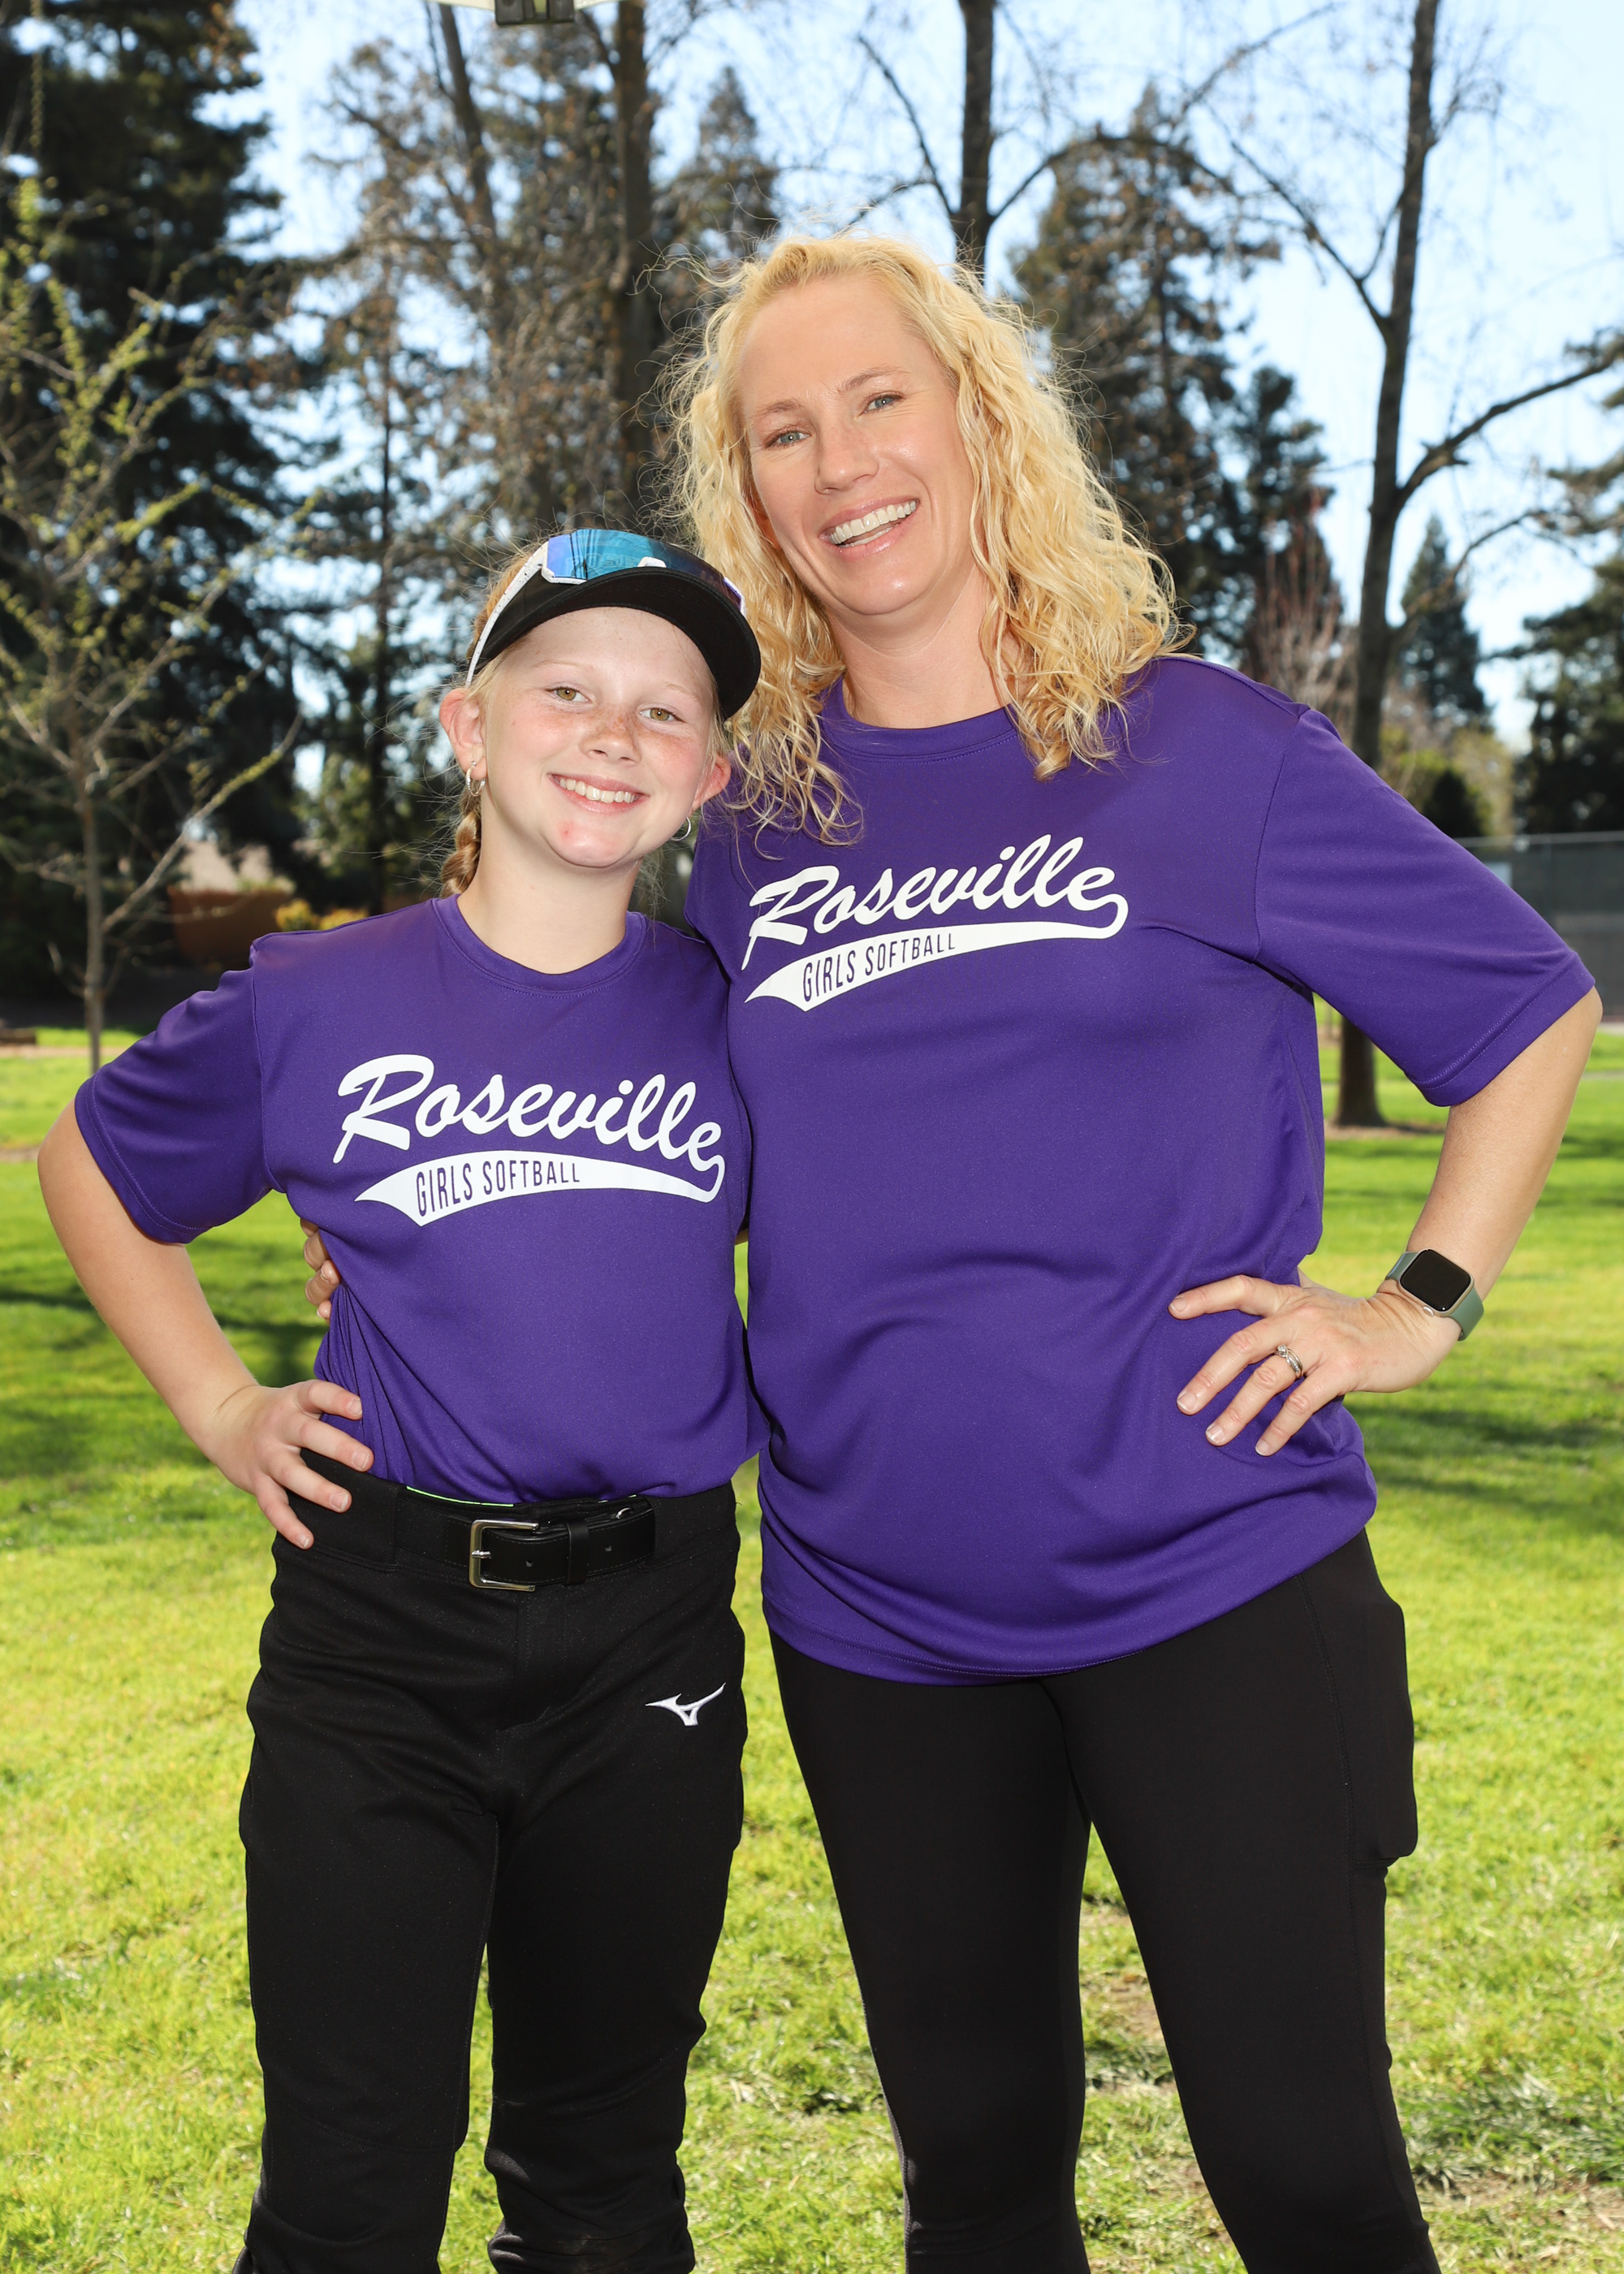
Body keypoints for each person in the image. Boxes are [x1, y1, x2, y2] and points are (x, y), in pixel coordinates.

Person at [304, 239, 1600, 2274]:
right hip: (878, 1613)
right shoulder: (752, 821)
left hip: (1211, 1577)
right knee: (977, 2187)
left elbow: (1525, 1007)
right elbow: (639, 1089)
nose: (841, 465)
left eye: (879, 401)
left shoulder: (1204, 751)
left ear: (982, 417)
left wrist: (1411, 1304)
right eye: (783, 432)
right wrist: (414, 1231)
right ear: (751, 493)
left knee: (1309, 2179)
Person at [38, 529, 767, 2274]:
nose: (612, 732)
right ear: (466, 724)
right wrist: (223, 1405)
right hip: (381, 1634)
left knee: (604, 2178)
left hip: (650, 1631)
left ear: (711, 775)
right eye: (564, 687)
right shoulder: (320, 994)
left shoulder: (737, 1013)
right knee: (350, 2183)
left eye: (665, 709)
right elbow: (93, 1165)